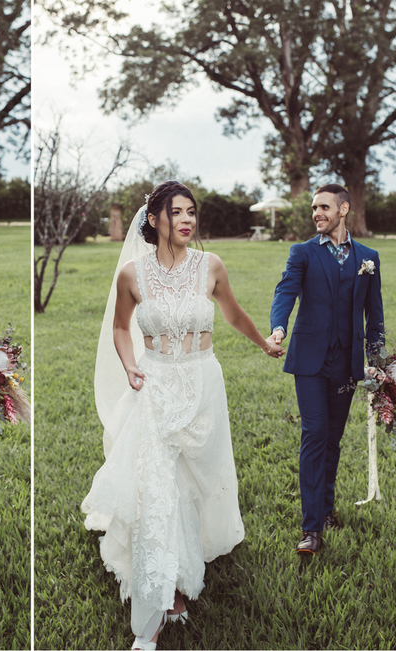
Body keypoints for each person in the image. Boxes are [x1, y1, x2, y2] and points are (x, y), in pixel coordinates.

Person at [82, 181, 282, 650]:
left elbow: (232, 314)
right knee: (159, 488)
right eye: (177, 212)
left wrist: (265, 343)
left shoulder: (210, 266)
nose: (188, 220)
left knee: (195, 481)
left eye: (192, 211)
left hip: (203, 385)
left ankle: (188, 555)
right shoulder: (132, 274)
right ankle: (158, 603)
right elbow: (119, 326)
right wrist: (131, 365)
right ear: (154, 220)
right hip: (154, 387)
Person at [267, 183, 385, 555]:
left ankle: (327, 508)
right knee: (315, 433)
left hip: (348, 362)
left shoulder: (368, 257)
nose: (317, 213)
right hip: (309, 360)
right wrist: (278, 327)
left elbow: (374, 313)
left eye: (323, 207)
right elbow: (285, 291)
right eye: (314, 208)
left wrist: (378, 362)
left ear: (344, 209)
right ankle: (311, 529)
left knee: (332, 438)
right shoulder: (302, 252)